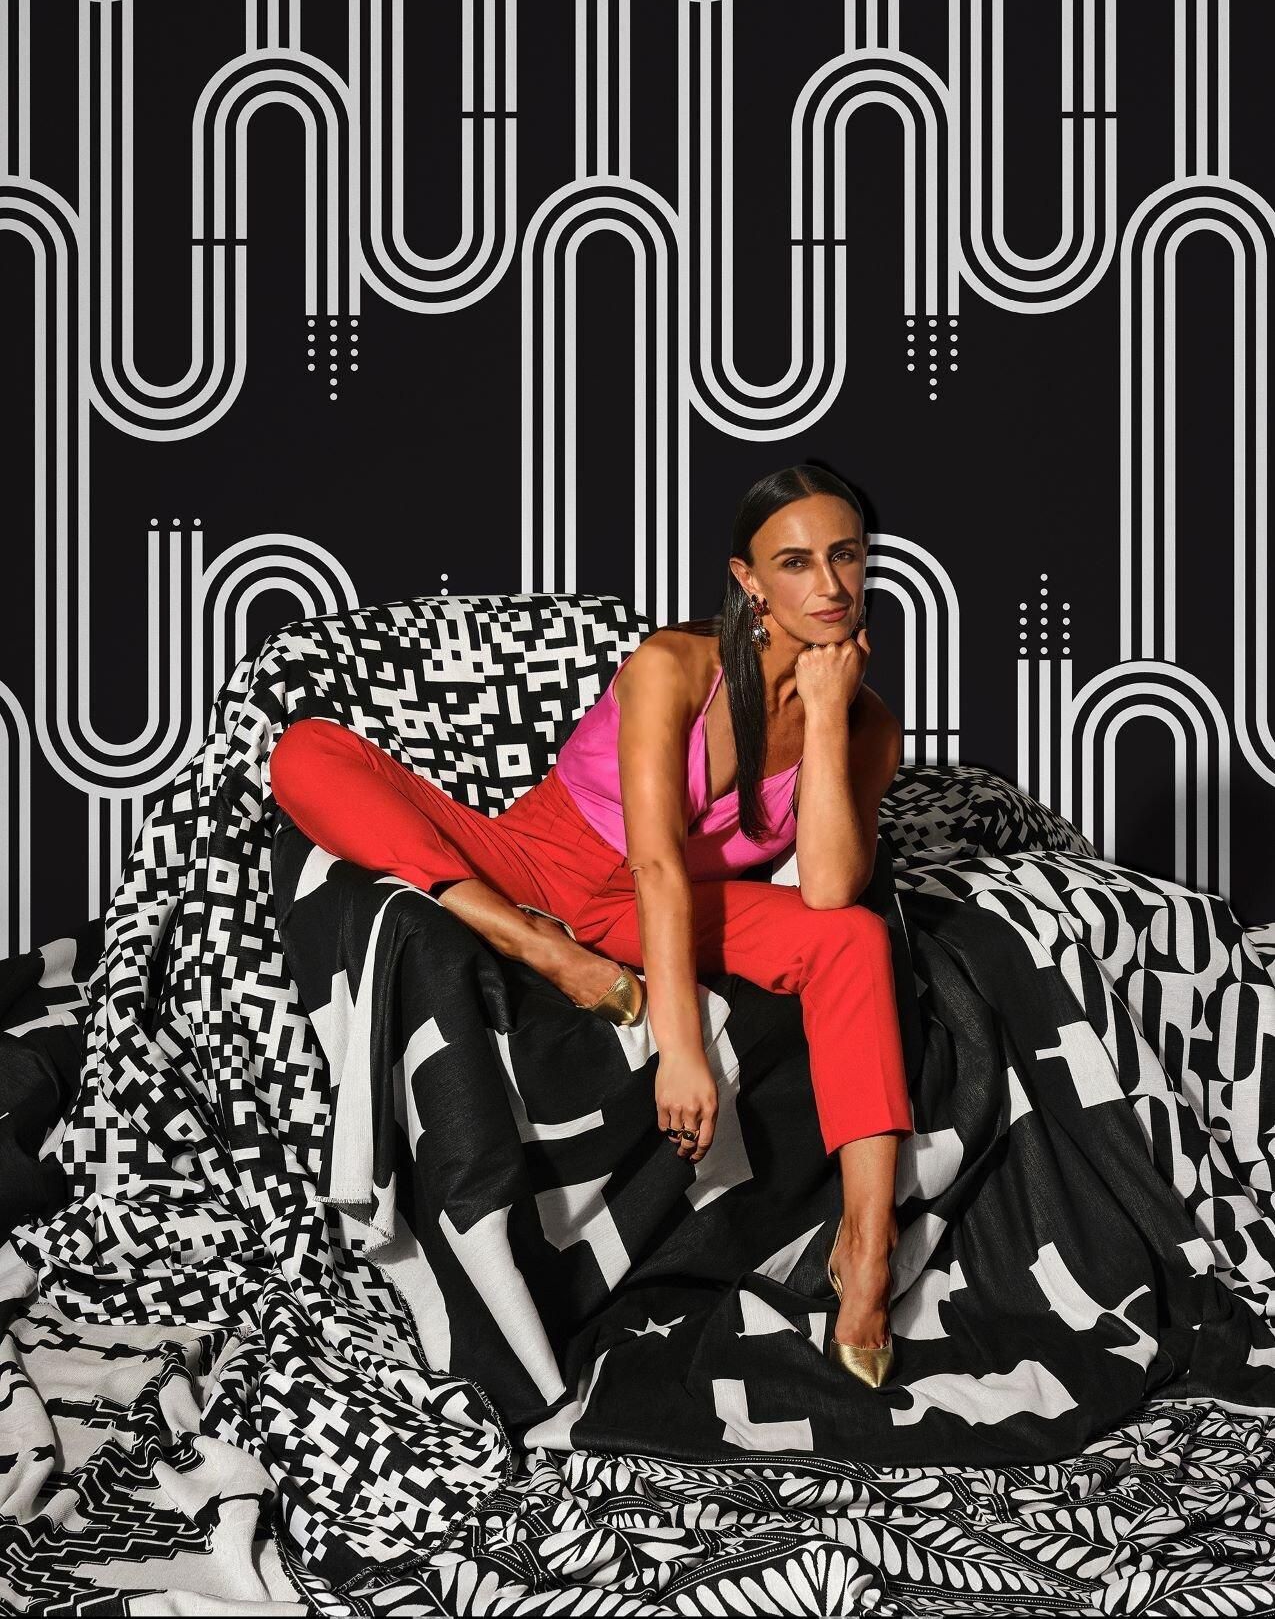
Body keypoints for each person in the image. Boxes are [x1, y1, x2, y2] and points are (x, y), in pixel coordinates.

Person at [269, 463, 914, 1388]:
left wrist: (823, 718)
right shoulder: (672, 666)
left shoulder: (868, 726)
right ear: (747, 580)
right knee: (306, 752)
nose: (828, 585)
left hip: (657, 915)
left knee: (853, 939)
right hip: (529, 867)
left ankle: (866, 1246)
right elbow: (654, 861)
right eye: (795, 562)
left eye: (845, 556)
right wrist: (678, 1049)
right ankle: (520, 938)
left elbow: (829, 889)